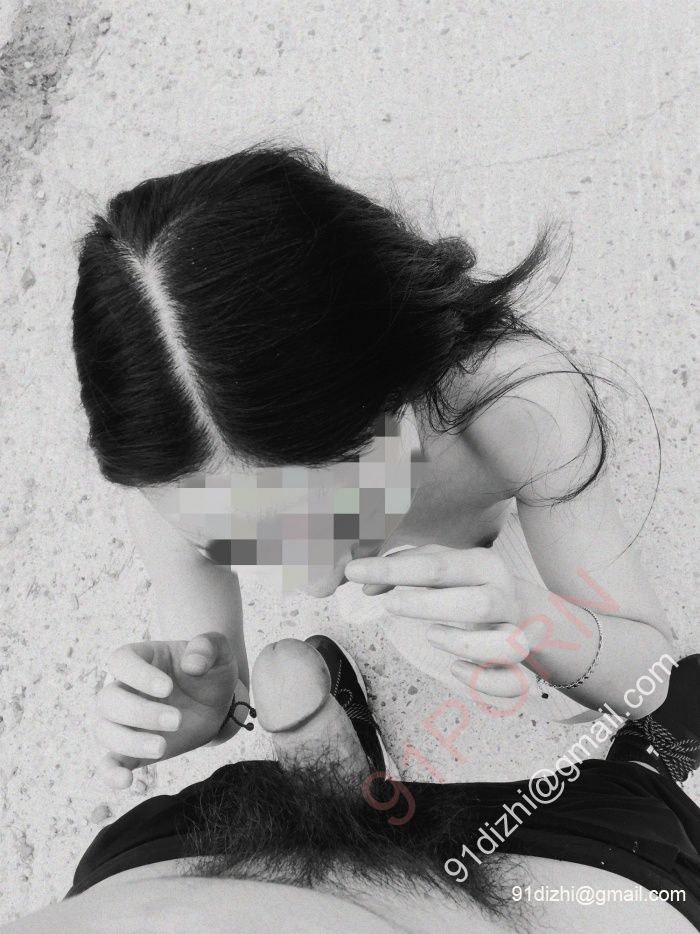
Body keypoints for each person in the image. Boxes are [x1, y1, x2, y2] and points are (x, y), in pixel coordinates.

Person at [71, 143, 674, 773]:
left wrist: (529, 612)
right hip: (434, 589)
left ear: (405, 386)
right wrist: (209, 706)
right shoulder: (176, 479)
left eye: (340, 511)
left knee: (564, 703)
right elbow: (213, 672)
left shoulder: (517, 409)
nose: (313, 585)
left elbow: (651, 677)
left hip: (512, 563)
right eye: (233, 542)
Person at [3, 633, 699, 932]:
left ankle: (333, 791)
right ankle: (640, 771)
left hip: (190, 861)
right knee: (633, 834)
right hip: (544, 902)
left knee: (275, 812)